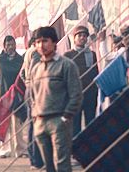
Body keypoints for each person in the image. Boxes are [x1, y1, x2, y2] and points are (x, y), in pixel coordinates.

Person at [29, 26, 83, 172]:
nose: (41, 45)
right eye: (38, 42)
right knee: (48, 167)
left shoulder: (66, 65)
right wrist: (35, 117)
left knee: (62, 164)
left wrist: (66, 117)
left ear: (54, 43)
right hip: (40, 122)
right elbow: (32, 96)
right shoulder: (36, 69)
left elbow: (76, 94)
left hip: (59, 121)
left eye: (45, 41)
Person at [64, 25, 99, 137]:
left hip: (90, 93)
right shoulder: (68, 55)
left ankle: (90, 150)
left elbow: (95, 72)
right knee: (75, 125)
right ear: (74, 38)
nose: (82, 38)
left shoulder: (91, 54)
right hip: (75, 95)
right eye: (79, 35)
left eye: (84, 36)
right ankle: (76, 151)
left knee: (91, 123)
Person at [0, 35, 26, 158]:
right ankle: (4, 149)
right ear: (4, 46)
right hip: (3, 94)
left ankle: (21, 149)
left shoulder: (20, 59)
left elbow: (20, 72)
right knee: (4, 124)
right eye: (8, 45)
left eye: (12, 44)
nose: (10, 47)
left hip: (17, 94)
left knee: (17, 123)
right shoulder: (0, 59)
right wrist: (16, 70)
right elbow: (5, 71)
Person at [20, 36, 44, 170]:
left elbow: (23, 74)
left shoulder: (28, 52)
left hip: (29, 89)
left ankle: (34, 158)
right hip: (35, 90)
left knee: (32, 125)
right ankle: (36, 159)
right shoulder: (35, 52)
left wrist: (27, 83)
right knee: (36, 126)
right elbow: (35, 72)